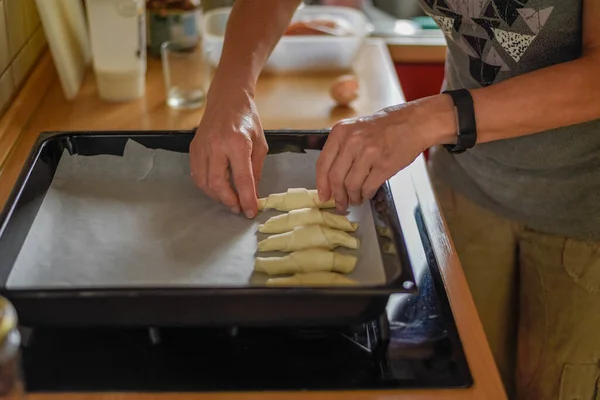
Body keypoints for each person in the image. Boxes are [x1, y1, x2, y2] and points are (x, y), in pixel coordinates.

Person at [190, 0, 600, 399]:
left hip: (582, 209)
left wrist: (429, 118)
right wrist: (231, 90)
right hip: (466, 183)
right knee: (470, 375)